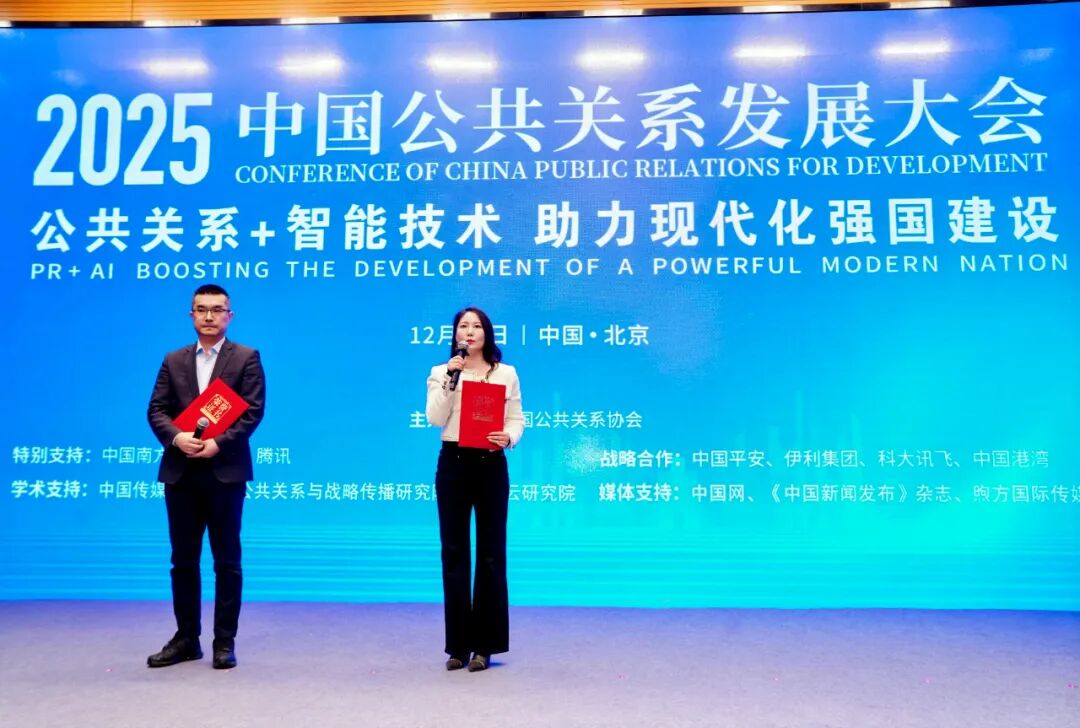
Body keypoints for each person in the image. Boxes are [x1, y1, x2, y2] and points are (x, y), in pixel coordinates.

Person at [146, 284, 266, 670]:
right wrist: (176, 437)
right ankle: (186, 639)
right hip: (181, 473)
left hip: (224, 472)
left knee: (227, 561)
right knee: (183, 561)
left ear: (230, 316)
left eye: (217, 309)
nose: (209, 316)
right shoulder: (173, 359)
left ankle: (224, 642)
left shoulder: (245, 357)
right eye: (202, 309)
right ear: (192, 315)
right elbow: (156, 410)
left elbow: (252, 411)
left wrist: (218, 443)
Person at [426, 307, 524, 672]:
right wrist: (452, 380)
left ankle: (485, 646)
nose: (470, 331)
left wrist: (508, 437)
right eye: (463, 326)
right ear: (455, 334)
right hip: (453, 464)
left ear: (487, 333)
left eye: (476, 326)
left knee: (491, 553)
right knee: (454, 553)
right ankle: (458, 646)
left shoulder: (506, 373)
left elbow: (516, 418)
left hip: (490, 464)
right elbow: (435, 417)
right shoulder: (442, 372)